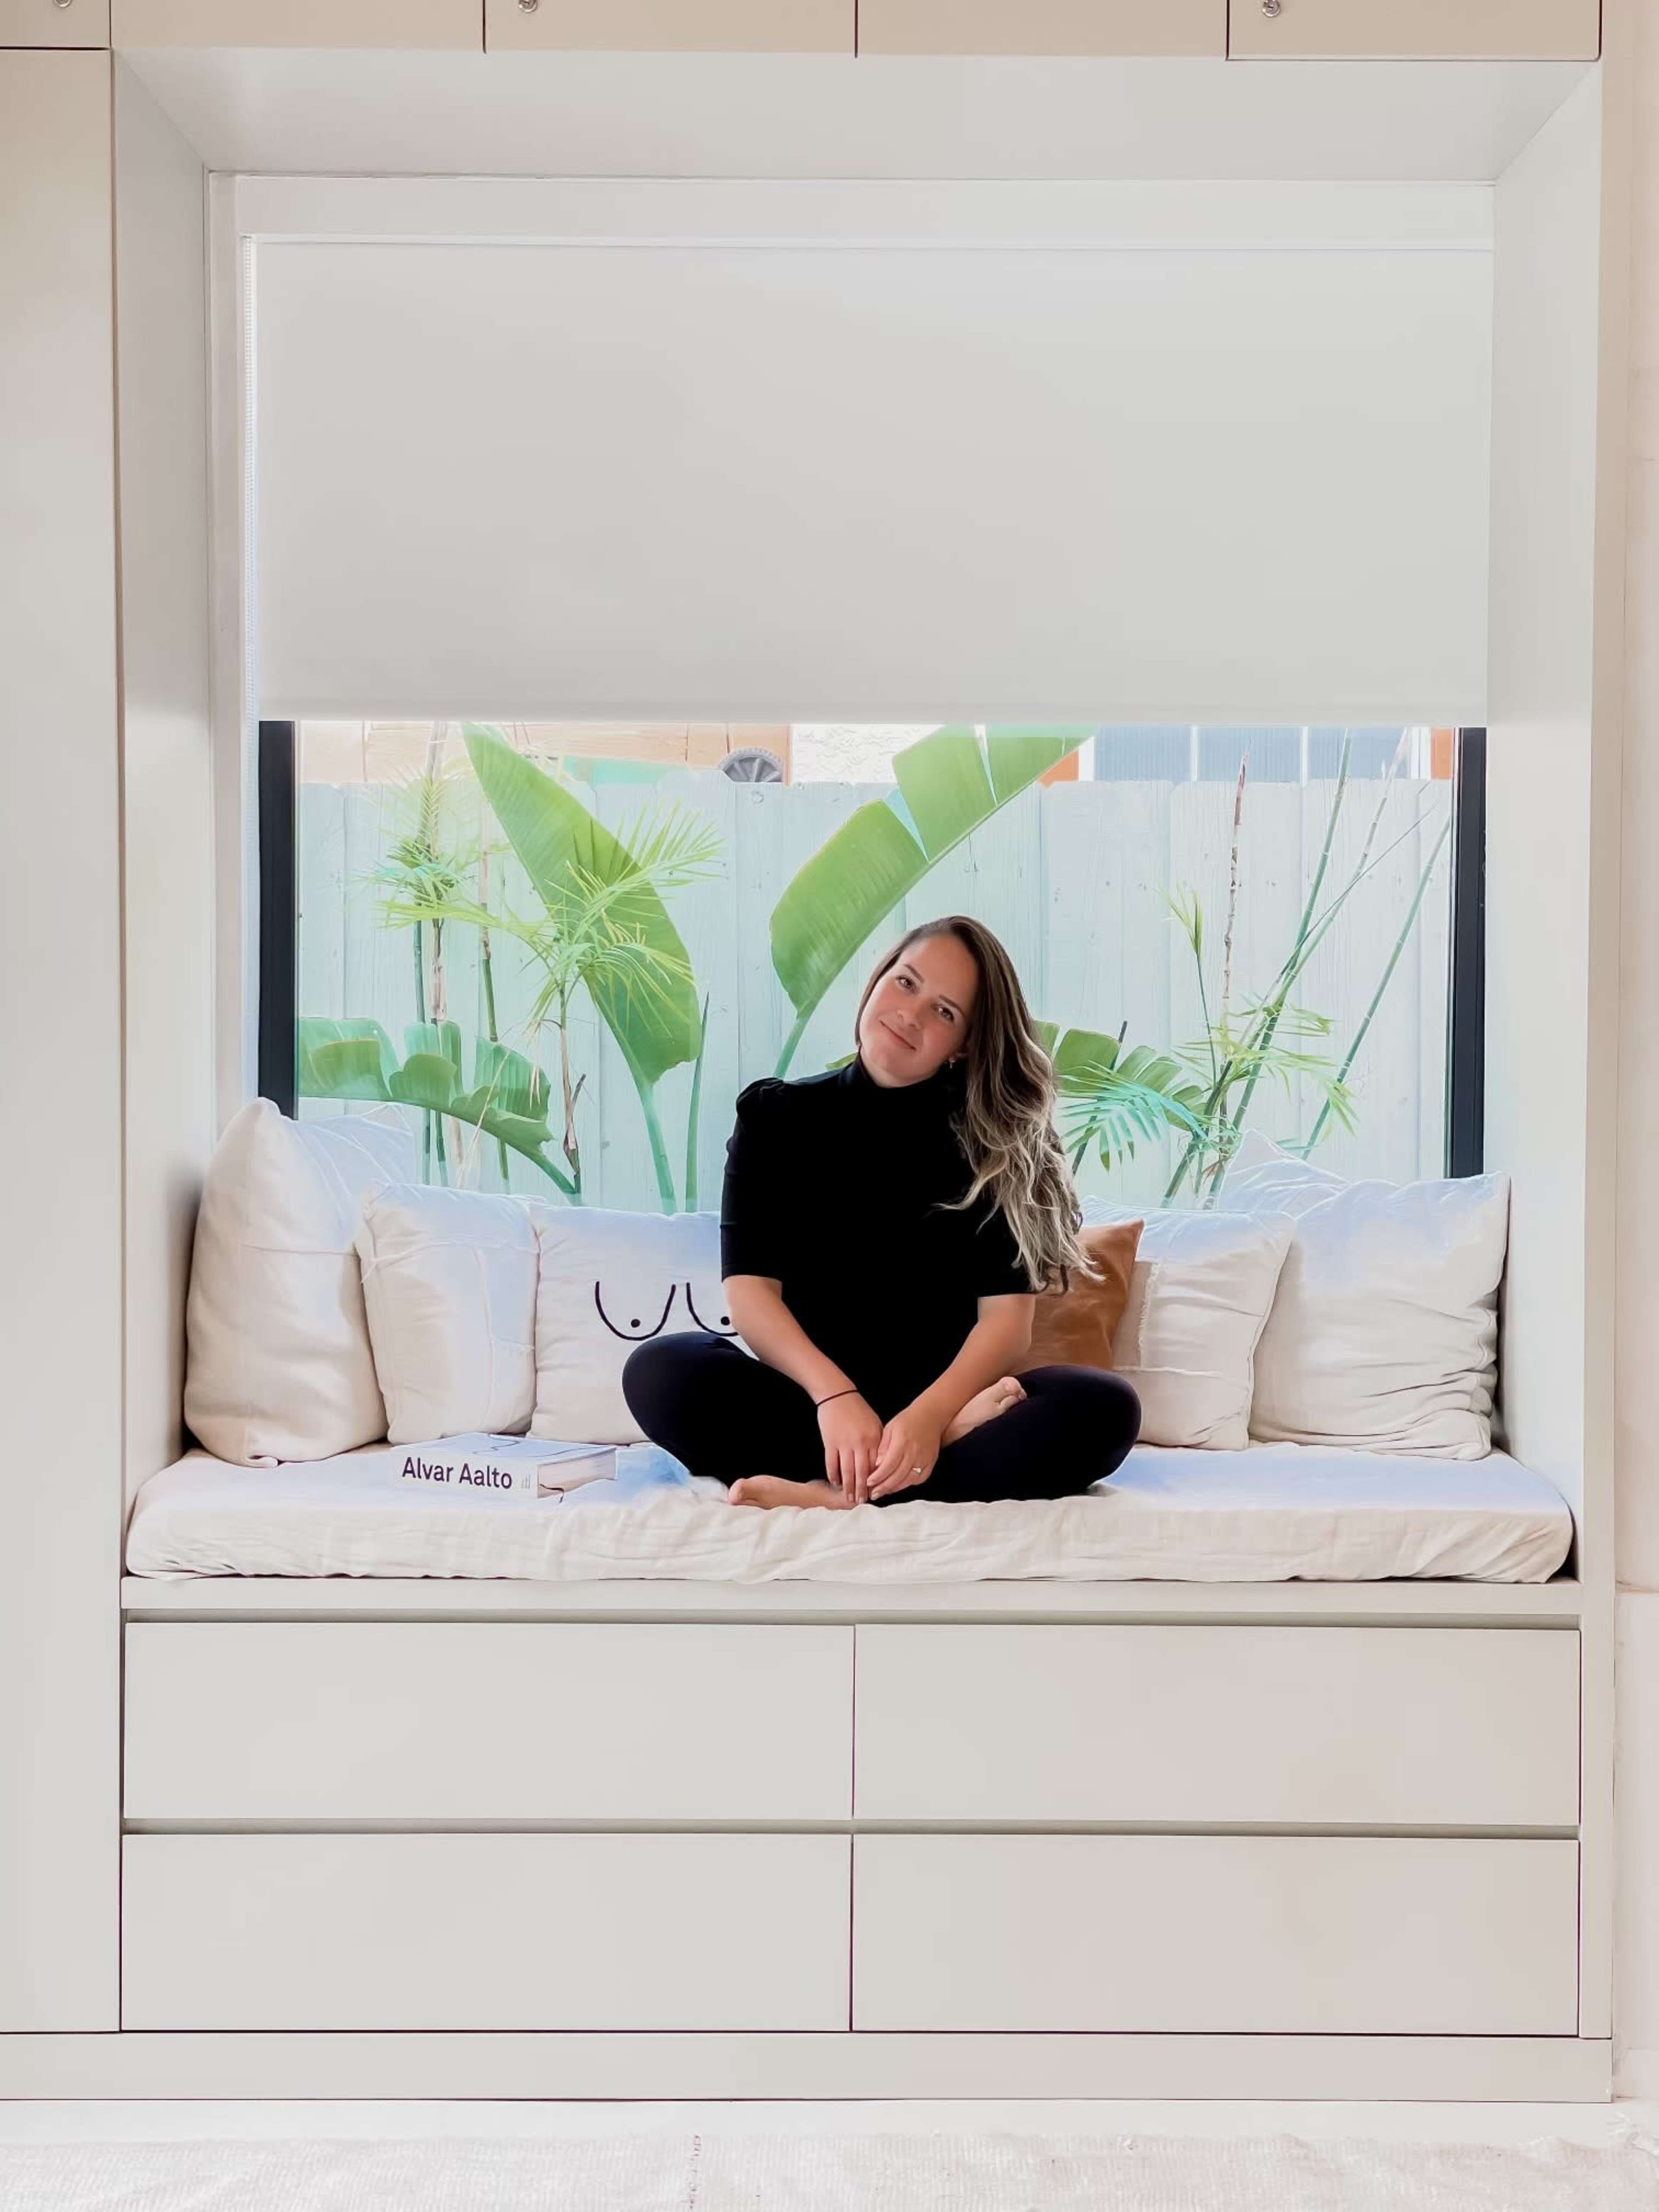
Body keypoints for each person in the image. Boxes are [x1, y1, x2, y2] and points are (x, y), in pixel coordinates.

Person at [623, 915, 1141, 1509]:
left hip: (943, 1400)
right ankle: (917, 1469)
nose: (910, 1014)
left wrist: (930, 1419)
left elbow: (1006, 1324)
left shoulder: (995, 1148)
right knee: (662, 1370)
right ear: (877, 981)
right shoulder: (776, 1118)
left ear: (966, 1043)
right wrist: (835, 1400)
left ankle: (840, 1490)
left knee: (1104, 1406)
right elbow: (752, 1296)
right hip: (813, 1407)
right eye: (906, 983)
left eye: (944, 1012)